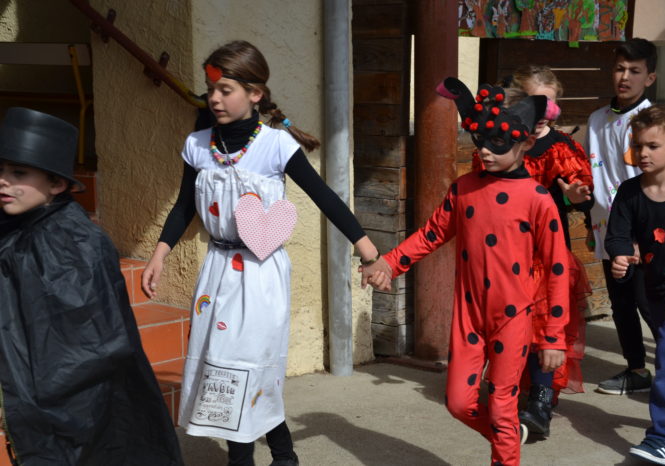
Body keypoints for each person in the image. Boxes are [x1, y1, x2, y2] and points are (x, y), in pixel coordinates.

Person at [140, 40, 390, 466]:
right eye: (210, 89)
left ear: (255, 94)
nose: (214, 98)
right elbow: (184, 206)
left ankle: (243, 460)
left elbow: (325, 197)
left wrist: (369, 252)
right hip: (217, 271)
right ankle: (284, 454)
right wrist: (159, 253)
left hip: (260, 275)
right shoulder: (198, 145)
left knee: (244, 365)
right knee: (224, 365)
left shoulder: (276, 146)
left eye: (226, 89)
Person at [366, 78, 570, 465]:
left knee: (504, 403)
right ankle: (507, 436)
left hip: (514, 316)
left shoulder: (539, 201)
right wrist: (389, 263)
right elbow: (430, 235)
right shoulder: (464, 189)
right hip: (469, 315)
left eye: (498, 144)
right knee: (459, 402)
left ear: (525, 143)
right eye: (480, 141)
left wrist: (554, 338)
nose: (485, 152)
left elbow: (559, 270)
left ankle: (505, 448)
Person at [0, 107, 183, 465]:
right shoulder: (14, 227)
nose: (3, 181)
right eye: (0, 169)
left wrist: (38, 400)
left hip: (79, 406)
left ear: (57, 184)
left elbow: (92, 345)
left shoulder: (76, 244)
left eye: (18, 172)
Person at [472, 66, 593, 440]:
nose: (540, 110)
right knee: (511, 326)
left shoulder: (558, 146)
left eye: (548, 102)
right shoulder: (504, 140)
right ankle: (511, 388)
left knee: (545, 327)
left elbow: (579, 186)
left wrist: (576, 196)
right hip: (507, 252)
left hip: (545, 256)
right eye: (531, 101)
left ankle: (541, 400)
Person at [605, 103, 665, 465]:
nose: (643, 153)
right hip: (655, 286)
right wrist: (619, 256)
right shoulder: (629, 192)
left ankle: (663, 440)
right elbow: (617, 235)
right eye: (638, 144)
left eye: (653, 146)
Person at [587, 37, 658, 395]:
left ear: (650, 77)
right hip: (606, 231)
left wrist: (636, 234)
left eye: (634, 70)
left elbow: (654, 182)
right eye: (619, 68)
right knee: (621, 304)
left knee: (651, 304)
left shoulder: (651, 123)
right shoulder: (596, 119)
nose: (624, 77)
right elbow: (594, 174)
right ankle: (636, 370)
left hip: (641, 234)